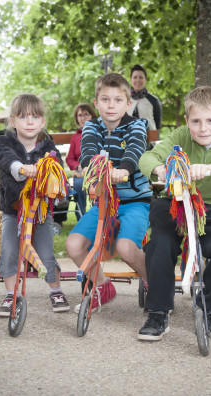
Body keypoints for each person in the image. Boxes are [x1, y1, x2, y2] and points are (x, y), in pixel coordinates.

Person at [137, 86, 211, 341]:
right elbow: (147, 157)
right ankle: (158, 311)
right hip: (175, 202)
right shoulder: (179, 136)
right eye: (196, 121)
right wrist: (160, 169)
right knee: (159, 246)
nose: (203, 128)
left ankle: (210, 307)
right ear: (187, 121)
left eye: (210, 121)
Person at [65, 73, 152, 312]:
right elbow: (88, 151)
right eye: (105, 99)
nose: (111, 105)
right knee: (74, 245)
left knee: (126, 248)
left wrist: (123, 170)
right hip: (104, 202)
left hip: (135, 202)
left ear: (128, 103)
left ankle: (154, 283)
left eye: (117, 100)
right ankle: (103, 286)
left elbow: (134, 149)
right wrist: (92, 167)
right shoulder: (92, 126)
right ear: (96, 103)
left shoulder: (137, 125)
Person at [0, 93, 70, 314]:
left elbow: (56, 165)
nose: (29, 122)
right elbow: (5, 159)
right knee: (9, 251)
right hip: (13, 210)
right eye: (23, 116)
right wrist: (21, 168)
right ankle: (11, 295)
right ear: (13, 121)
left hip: (40, 212)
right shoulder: (4, 142)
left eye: (35, 117)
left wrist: (51, 171)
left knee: (45, 252)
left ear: (42, 122)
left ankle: (55, 290)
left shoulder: (48, 147)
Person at [66, 103, 97, 220]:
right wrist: (78, 166)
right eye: (80, 115)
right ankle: (81, 216)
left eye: (86, 114)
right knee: (79, 184)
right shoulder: (75, 137)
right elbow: (69, 158)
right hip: (81, 173)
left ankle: (97, 213)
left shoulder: (99, 133)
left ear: (92, 116)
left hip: (96, 171)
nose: (83, 118)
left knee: (96, 184)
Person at [129, 64, 162, 133]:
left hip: (150, 140)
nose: (138, 80)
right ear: (131, 80)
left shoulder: (154, 100)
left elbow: (157, 125)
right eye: (135, 77)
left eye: (141, 77)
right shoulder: (123, 100)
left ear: (145, 79)